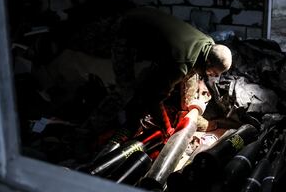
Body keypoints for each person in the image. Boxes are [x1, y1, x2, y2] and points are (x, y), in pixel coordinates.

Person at [83, 7, 232, 135]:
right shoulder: (180, 64)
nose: (213, 77)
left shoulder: (209, 44)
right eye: (213, 72)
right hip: (127, 29)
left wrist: (189, 105)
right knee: (126, 89)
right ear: (208, 62)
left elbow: (192, 70)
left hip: (148, 19)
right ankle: (86, 131)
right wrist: (167, 129)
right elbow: (153, 98)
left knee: (189, 78)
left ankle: (184, 113)